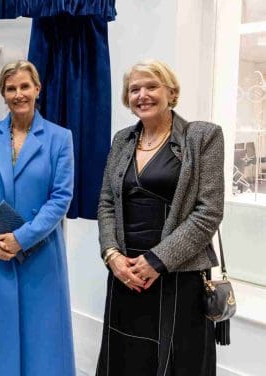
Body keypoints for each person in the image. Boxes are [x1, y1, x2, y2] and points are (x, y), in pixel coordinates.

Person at [96, 59, 224, 375]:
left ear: (170, 91)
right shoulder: (122, 140)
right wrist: (112, 255)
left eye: (151, 86)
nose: (143, 95)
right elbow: (107, 202)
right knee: (126, 358)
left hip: (178, 276)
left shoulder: (202, 137)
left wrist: (157, 260)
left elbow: (209, 212)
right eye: (134, 89)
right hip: (126, 274)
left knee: (177, 361)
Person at [0, 60, 76, 375]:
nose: (18, 94)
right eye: (11, 88)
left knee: (43, 335)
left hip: (40, 254)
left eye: (25, 86)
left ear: (37, 89)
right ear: (3, 94)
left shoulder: (59, 138)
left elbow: (60, 198)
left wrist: (21, 238)